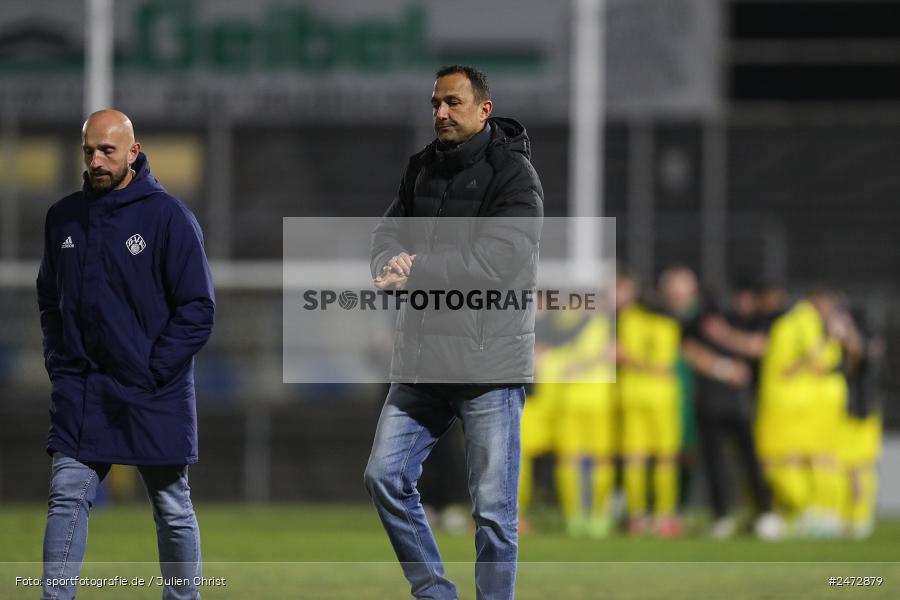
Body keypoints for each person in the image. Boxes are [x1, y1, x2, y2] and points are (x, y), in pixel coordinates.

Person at [364, 65, 543, 600]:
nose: (440, 113)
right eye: (435, 103)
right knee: (383, 478)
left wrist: (415, 265)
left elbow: (499, 261)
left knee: (492, 513)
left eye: (453, 103)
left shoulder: (514, 175)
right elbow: (386, 232)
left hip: (489, 365)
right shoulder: (421, 167)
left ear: (483, 109)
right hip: (423, 360)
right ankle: (434, 592)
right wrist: (387, 261)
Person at [37, 110, 215, 600]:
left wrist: (152, 369)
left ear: (132, 152)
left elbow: (198, 309)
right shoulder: (63, 217)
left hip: (152, 391)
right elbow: (49, 299)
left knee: (171, 505)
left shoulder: (168, 217)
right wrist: (60, 361)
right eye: (88, 150)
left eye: (107, 151)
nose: (95, 160)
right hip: (83, 388)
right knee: (66, 497)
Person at [679, 275, 780, 539]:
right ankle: (721, 515)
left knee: (750, 461)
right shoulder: (701, 318)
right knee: (714, 463)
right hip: (709, 401)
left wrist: (724, 335)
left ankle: (765, 512)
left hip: (743, 403)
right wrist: (723, 369)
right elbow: (689, 349)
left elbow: (758, 347)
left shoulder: (751, 322)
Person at [616, 271, 683, 537]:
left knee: (635, 458)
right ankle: (664, 516)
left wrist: (636, 363)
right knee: (665, 458)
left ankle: (636, 516)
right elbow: (665, 365)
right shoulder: (669, 325)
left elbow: (621, 354)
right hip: (662, 395)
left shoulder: (629, 319)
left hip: (632, 393)